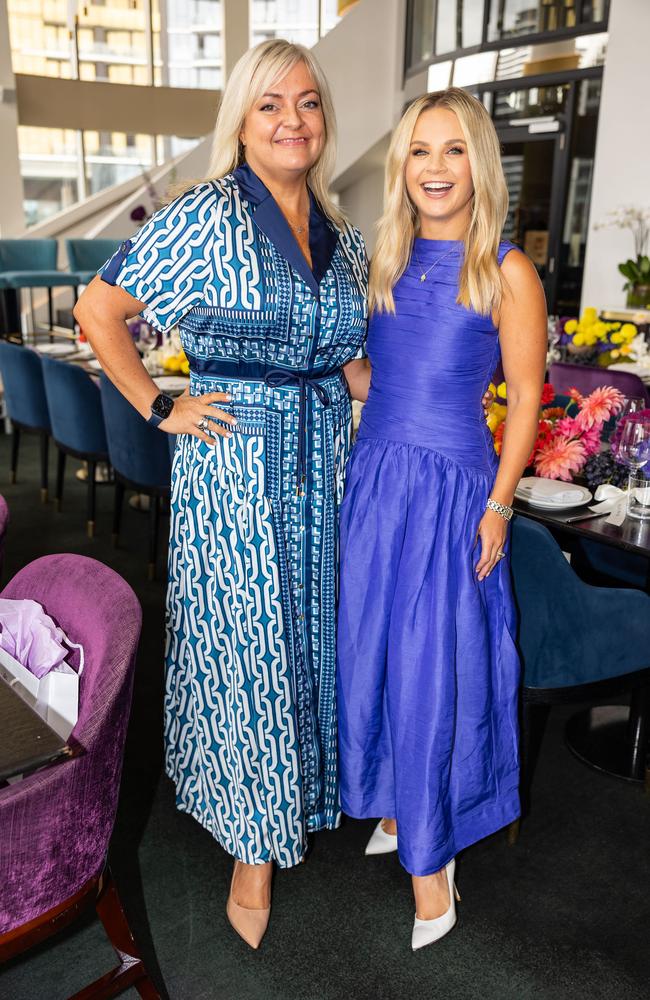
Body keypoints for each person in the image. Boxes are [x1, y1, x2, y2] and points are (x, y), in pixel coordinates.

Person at [73, 39, 369, 950]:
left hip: (325, 459)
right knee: (251, 642)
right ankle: (252, 845)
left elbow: (349, 358)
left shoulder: (344, 233)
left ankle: (306, 793)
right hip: (235, 461)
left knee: (316, 631)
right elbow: (98, 310)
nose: (294, 120)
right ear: (241, 119)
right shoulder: (203, 216)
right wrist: (159, 404)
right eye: (272, 103)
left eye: (309, 103)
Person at [336, 88, 547, 951]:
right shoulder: (383, 262)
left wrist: (499, 505)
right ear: (402, 166)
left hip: (453, 492)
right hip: (377, 483)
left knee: (430, 670)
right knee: (373, 653)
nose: (434, 167)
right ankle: (394, 796)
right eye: (420, 151)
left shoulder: (506, 270)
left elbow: (529, 396)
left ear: (478, 163)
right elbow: (366, 374)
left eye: (453, 150)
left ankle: (432, 863)